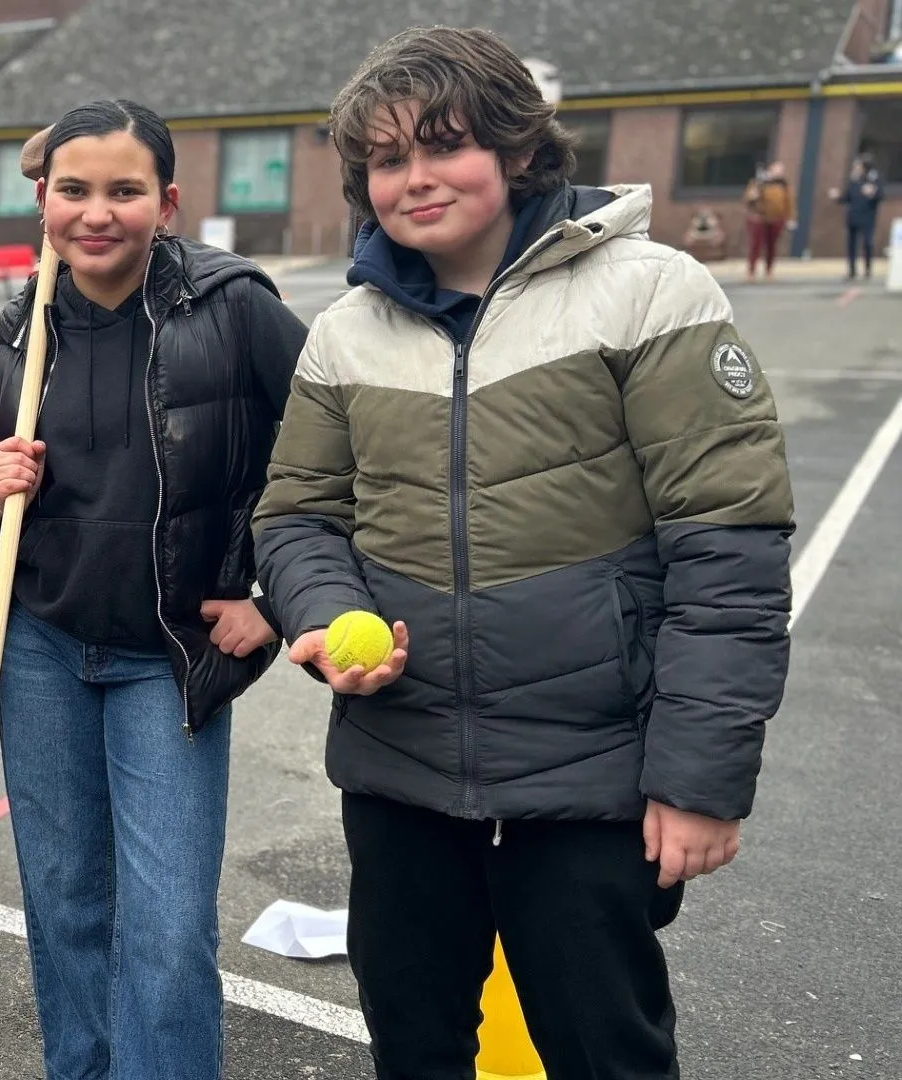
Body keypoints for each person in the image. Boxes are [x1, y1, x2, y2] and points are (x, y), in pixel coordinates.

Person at [253, 27, 794, 1080]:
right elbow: (298, 518)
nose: (415, 178)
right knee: (415, 1049)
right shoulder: (345, 332)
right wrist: (321, 620)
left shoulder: (652, 293)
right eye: (387, 158)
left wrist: (700, 780)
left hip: (591, 778)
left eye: (443, 144)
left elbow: (727, 552)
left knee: (606, 1055)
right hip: (401, 771)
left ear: (516, 147)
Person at [0, 99, 306, 1080]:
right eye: (74, 190)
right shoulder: (17, 333)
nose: (96, 213)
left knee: (169, 925)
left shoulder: (234, 309)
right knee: (65, 903)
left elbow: (335, 456)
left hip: (167, 656)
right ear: (44, 202)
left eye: (124, 191)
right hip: (41, 646)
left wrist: (275, 600)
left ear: (167, 202)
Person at [831, 154, 884, 280]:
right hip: (853, 217)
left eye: (858, 167)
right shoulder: (853, 181)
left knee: (867, 243)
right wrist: (838, 197)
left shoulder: (873, 180)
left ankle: (867, 269)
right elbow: (847, 197)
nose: (856, 169)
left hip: (867, 217)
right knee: (851, 245)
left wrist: (873, 193)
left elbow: (881, 196)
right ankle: (852, 271)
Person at [744, 161, 794, 281]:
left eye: (781, 170)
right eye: (777, 169)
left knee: (772, 245)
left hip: (776, 218)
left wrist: (790, 218)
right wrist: (752, 196)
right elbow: (748, 198)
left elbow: (788, 202)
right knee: (756, 245)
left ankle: (769, 270)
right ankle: (751, 271)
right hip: (759, 217)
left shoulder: (783, 185)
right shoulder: (758, 182)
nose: (779, 172)